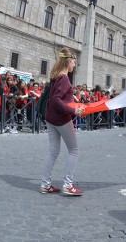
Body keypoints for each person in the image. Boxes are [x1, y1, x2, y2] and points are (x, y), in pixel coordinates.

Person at [40, 48, 86, 196]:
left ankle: (45, 184)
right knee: (74, 151)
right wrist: (73, 111)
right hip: (61, 119)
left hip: (50, 118)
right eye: (73, 62)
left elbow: (56, 98)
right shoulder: (64, 78)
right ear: (68, 62)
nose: (74, 65)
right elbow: (55, 100)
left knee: (53, 152)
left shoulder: (56, 76)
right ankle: (68, 185)